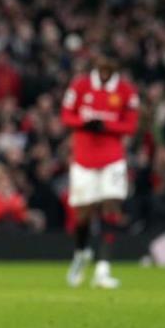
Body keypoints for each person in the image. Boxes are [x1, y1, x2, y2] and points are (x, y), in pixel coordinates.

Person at [61, 48, 139, 288]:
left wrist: (105, 125)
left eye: (109, 68)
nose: (104, 72)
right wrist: (85, 123)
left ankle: (103, 269)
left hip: (112, 158)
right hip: (84, 157)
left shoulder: (126, 91)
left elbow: (131, 125)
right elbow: (66, 116)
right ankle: (81, 253)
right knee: (83, 214)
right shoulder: (80, 86)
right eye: (101, 67)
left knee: (111, 206)